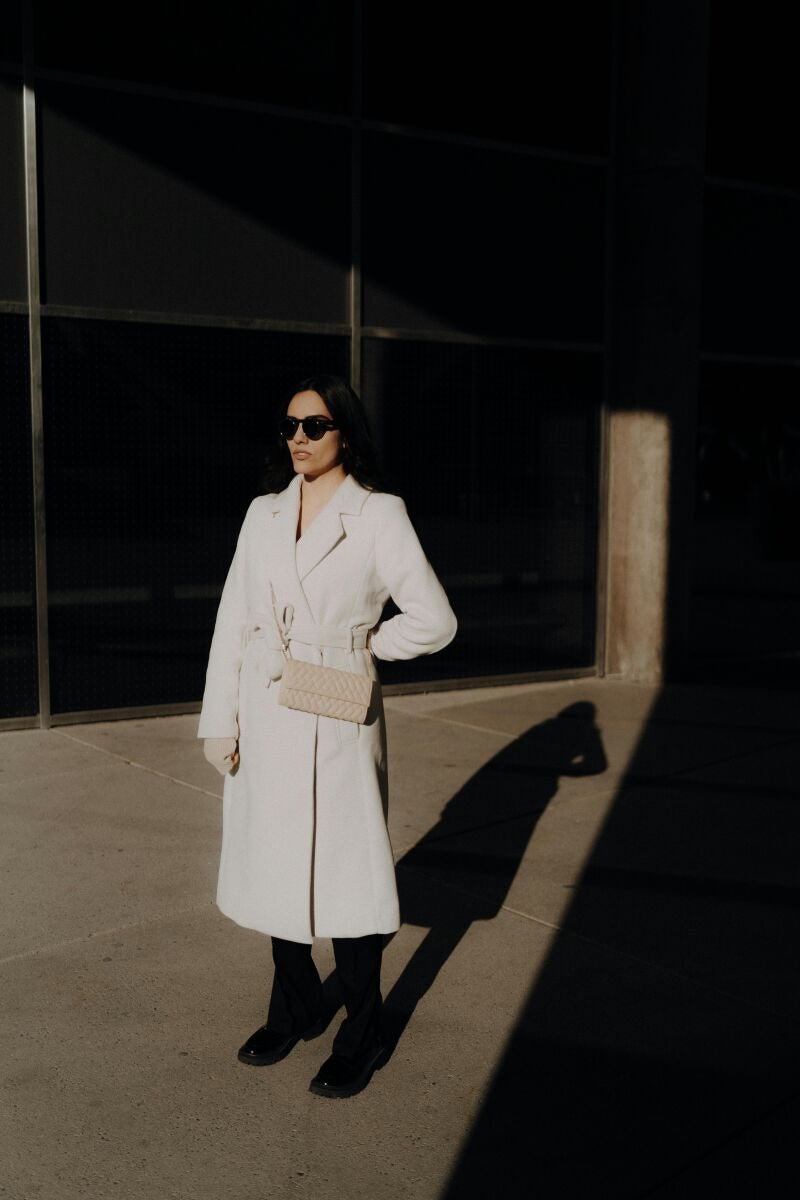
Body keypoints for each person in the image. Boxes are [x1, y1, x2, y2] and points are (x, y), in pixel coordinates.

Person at [197, 375, 457, 1098]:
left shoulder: (378, 515)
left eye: (314, 426)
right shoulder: (263, 514)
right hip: (268, 705)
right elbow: (231, 621)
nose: (300, 441)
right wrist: (220, 719)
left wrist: (367, 644)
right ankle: (296, 1004)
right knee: (274, 865)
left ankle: (363, 1030)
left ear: (346, 431)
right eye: (289, 427)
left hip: (338, 711)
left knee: (349, 881)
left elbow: (435, 620)